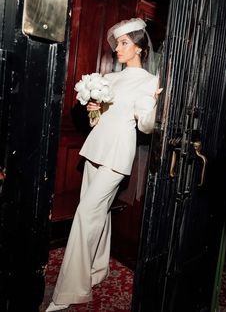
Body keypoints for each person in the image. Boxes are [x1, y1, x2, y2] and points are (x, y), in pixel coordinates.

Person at [46, 17, 163, 311]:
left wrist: (153, 105)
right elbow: (97, 121)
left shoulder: (150, 82)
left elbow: (146, 127)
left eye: (124, 43)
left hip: (117, 154)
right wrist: (94, 110)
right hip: (96, 149)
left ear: (139, 48)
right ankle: (98, 269)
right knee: (98, 212)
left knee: (86, 213)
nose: (118, 49)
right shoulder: (109, 78)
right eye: (117, 44)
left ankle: (69, 292)